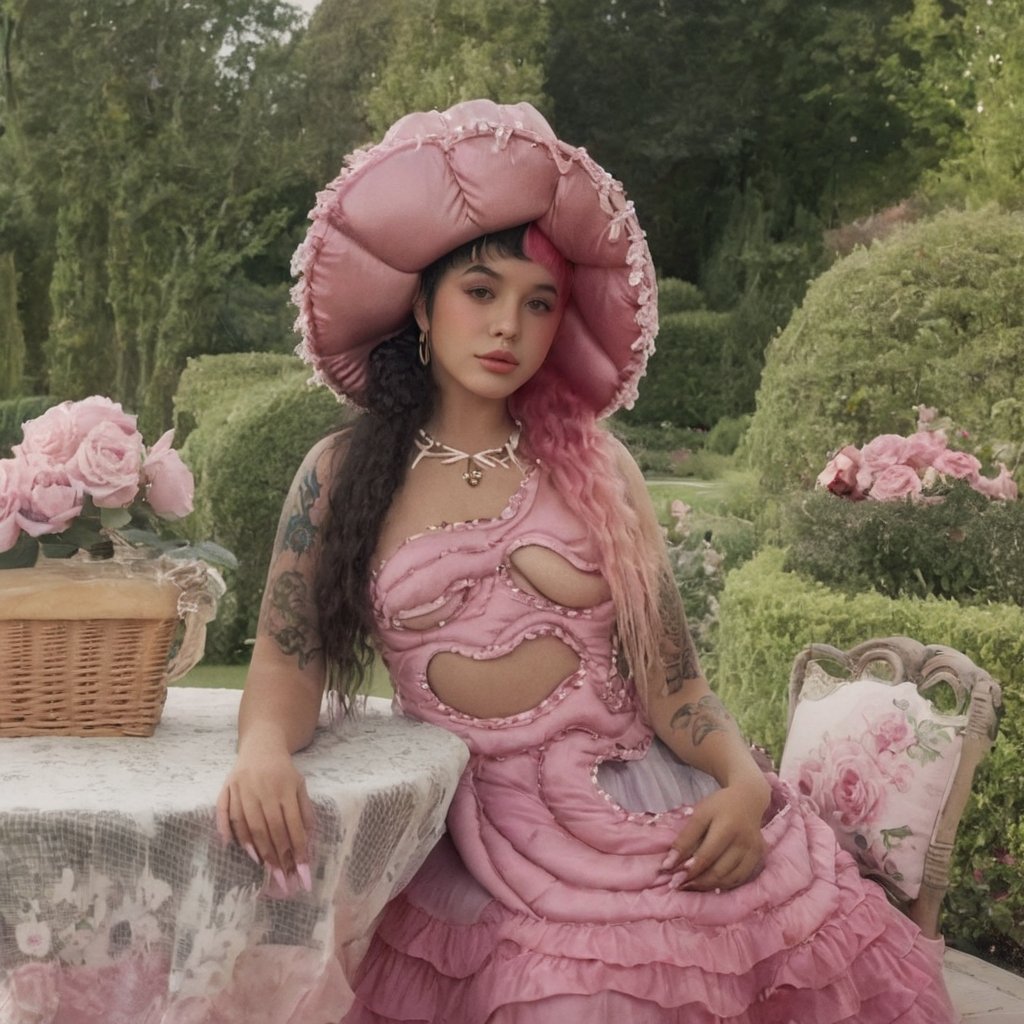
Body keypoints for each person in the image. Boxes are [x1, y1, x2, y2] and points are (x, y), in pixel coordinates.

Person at [217, 100, 957, 1022]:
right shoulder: (339, 476)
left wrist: (738, 784)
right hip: (473, 837)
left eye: (539, 304)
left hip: (647, 805)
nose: (507, 328)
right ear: (420, 303)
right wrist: (258, 752)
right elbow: (287, 664)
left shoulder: (600, 470)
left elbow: (674, 682)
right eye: (480, 292)